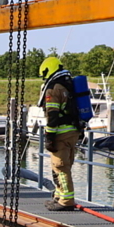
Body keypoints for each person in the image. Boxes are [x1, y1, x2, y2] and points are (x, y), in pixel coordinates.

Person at [38, 56, 83, 211]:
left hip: (61, 134)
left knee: (60, 167)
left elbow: (53, 115)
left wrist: (49, 136)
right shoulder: (69, 85)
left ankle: (66, 201)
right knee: (64, 165)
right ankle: (58, 196)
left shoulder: (53, 88)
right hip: (73, 132)